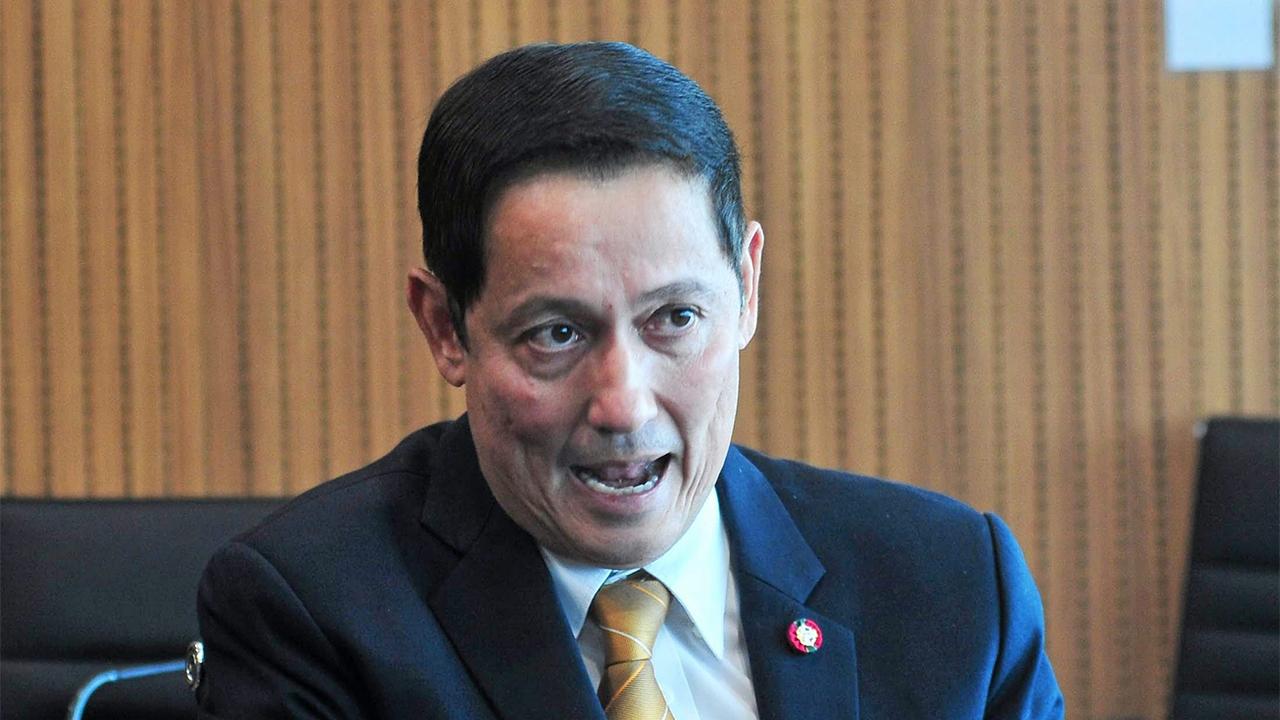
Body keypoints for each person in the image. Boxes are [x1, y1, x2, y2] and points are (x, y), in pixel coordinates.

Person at [195, 41, 1063, 719]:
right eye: (557, 334)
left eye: (674, 319)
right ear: (445, 328)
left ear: (746, 287)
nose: (624, 405)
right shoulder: (313, 613)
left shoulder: (952, 587)